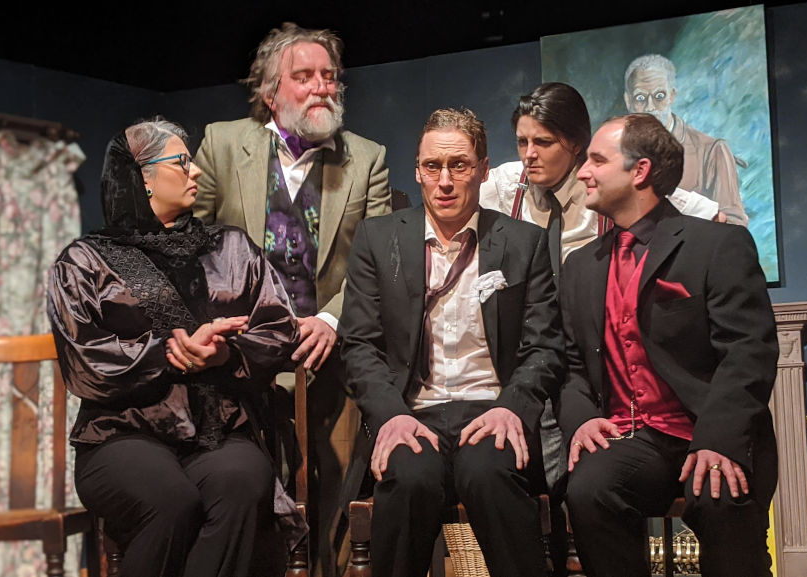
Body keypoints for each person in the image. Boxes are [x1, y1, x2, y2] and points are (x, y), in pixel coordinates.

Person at [47, 119, 306, 577]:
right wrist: (169, 351)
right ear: (142, 177)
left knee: (244, 482)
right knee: (171, 499)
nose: (196, 173)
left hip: (219, 429)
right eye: (181, 162)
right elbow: (86, 362)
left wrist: (227, 353)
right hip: (121, 435)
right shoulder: (85, 262)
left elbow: (277, 327)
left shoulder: (230, 248)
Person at [193, 22, 390, 575]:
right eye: (304, 77)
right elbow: (191, 248)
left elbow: (375, 266)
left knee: (332, 480)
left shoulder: (367, 158)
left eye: (329, 77)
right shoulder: (225, 144)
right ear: (271, 93)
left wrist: (331, 318)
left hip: (328, 352)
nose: (321, 87)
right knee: (243, 483)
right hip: (241, 353)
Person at [338, 108, 564, 577]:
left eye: (458, 165)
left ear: (483, 169)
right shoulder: (379, 240)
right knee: (408, 478)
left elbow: (543, 347)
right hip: (412, 412)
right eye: (431, 166)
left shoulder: (524, 242)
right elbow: (359, 344)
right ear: (417, 170)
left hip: (492, 409)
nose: (444, 180)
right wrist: (390, 417)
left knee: (490, 473)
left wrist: (512, 408)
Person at [557, 113, 778, 577]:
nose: (582, 171)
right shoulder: (581, 266)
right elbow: (573, 363)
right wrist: (581, 421)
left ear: (639, 172)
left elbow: (747, 351)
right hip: (634, 438)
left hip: (708, 429)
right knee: (589, 490)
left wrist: (718, 440)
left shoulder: (718, 245)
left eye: (597, 159)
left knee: (720, 492)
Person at [624, 54, 749, 225]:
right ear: (628, 101)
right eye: (640, 98)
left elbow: (735, 226)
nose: (650, 106)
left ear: (672, 96)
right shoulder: (615, 154)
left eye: (659, 96)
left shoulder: (711, 150)